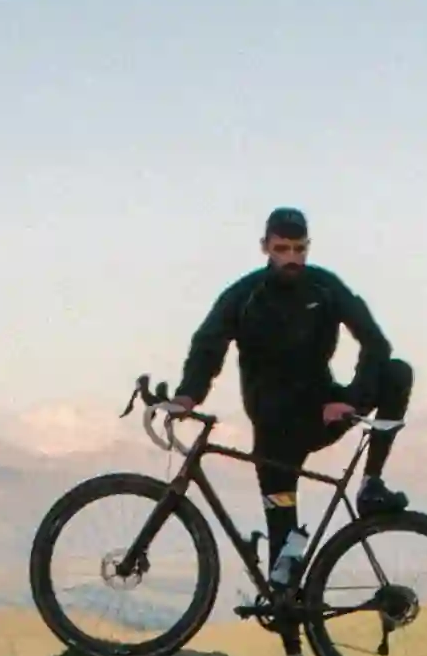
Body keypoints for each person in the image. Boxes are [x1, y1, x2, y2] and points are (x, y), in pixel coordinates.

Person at [172, 207, 413, 593]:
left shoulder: (324, 287)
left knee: (397, 373)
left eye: (299, 249)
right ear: (265, 247)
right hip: (275, 429)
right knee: (284, 571)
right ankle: (292, 636)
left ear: (308, 247)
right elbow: (208, 344)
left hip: (323, 412)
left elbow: (375, 342)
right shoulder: (245, 295)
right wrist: (188, 395)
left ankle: (371, 485)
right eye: (282, 249)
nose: (291, 258)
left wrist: (350, 399)